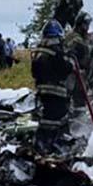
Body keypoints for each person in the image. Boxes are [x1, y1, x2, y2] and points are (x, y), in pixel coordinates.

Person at [31, 19, 73, 153]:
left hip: (42, 91)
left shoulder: (38, 51)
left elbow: (34, 72)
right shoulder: (56, 51)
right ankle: (51, 143)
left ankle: (42, 141)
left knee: (47, 117)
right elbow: (65, 69)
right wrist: (70, 61)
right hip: (56, 91)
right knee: (56, 118)